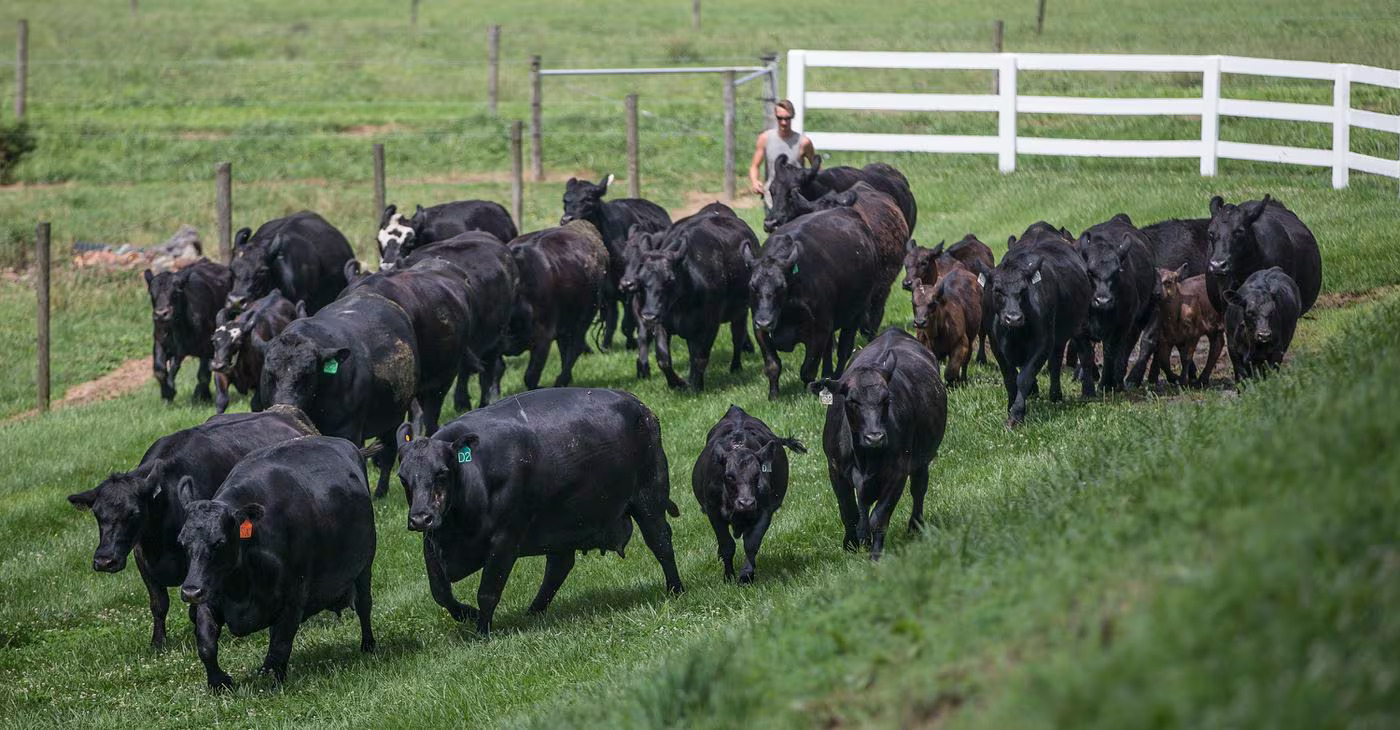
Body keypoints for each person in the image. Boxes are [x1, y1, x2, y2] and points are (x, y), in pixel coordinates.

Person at [748, 99, 816, 204]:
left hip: (797, 196)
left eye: (787, 118)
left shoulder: (803, 142)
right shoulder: (765, 139)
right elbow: (754, 166)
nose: (784, 122)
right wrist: (755, 182)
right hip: (772, 196)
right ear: (776, 117)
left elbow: (817, 168)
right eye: (780, 118)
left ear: (792, 117)